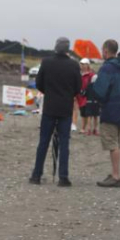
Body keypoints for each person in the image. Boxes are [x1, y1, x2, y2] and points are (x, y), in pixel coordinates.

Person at [29, 37, 81, 186]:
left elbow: (38, 83)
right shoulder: (73, 65)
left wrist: (50, 92)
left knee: (44, 141)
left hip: (50, 106)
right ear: (67, 49)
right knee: (64, 143)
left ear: (56, 47)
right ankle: (63, 177)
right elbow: (78, 87)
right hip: (65, 108)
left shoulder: (46, 62)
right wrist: (67, 94)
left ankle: (36, 175)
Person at [93, 40, 120, 188]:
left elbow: (100, 90)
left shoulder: (107, 68)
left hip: (111, 108)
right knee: (117, 142)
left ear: (105, 51)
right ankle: (115, 173)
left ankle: (116, 175)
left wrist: (94, 90)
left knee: (112, 143)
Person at [78, 58, 99, 136]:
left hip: (89, 96)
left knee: (87, 113)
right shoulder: (79, 74)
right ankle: (86, 128)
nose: (83, 66)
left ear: (88, 65)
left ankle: (85, 128)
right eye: (81, 64)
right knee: (83, 112)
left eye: (84, 64)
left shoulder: (91, 75)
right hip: (81, 94)